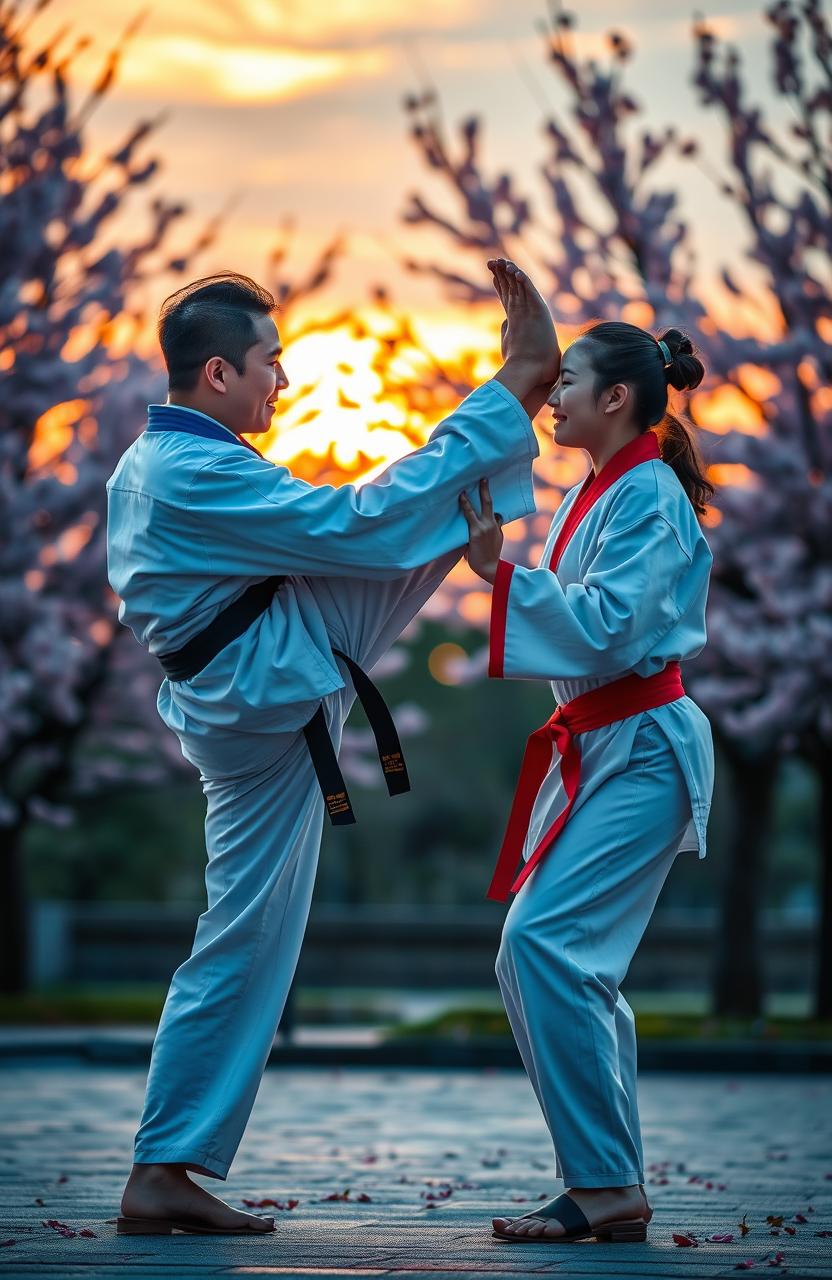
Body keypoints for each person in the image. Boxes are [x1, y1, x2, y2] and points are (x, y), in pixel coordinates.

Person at [108, 262, 557, 1235]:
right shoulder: (194, 469)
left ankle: (167, 1162)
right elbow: (343, 525)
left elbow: (357, 531)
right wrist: (508, 393)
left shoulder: (162, 463)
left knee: (402, 526)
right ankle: (163, 1164)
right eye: (272, 362)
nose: (284, 380)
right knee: (242, 939)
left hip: (263, 678)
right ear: (219, 373)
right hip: (268, 689)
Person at [459, 261, 715, 1246]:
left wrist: (503, 575)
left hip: (641, 746)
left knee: (543, 946)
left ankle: (604, 1183)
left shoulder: (644, 495)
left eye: (564, 382)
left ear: (617, 396)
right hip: (611, 743)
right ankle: (610, 1182)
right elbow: (591, 622)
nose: (552, 398)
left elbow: (608, 627)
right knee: (563, 960)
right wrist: (503, 567)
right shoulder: (609, 489)